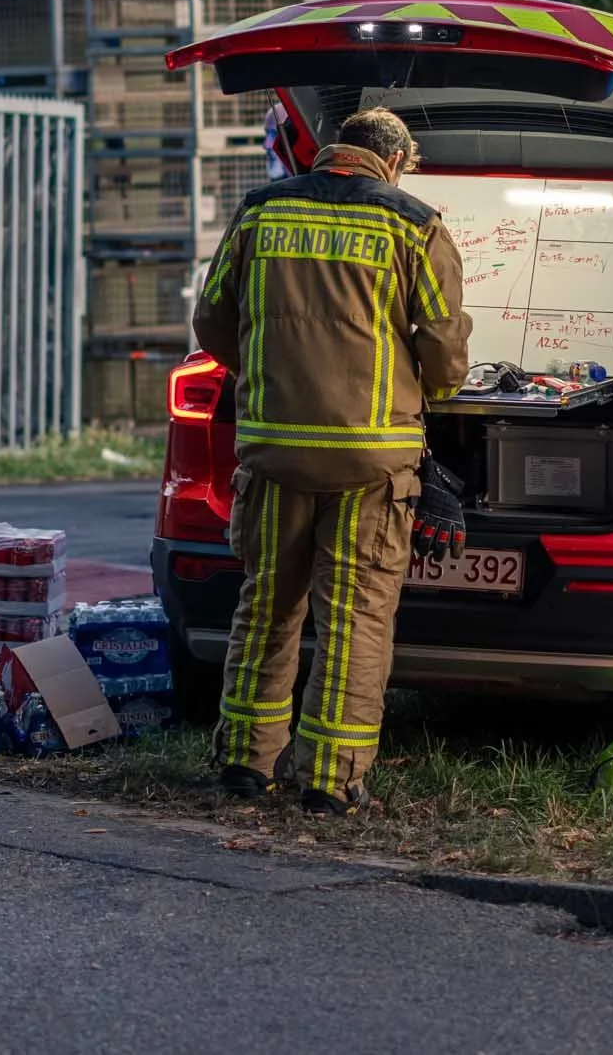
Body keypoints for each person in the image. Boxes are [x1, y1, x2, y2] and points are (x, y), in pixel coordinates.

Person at [191, 107, 472, 816]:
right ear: (395, 160)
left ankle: (243, 764)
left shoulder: (259, 213)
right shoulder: (413, 224)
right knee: (354, 619)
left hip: (274, 448)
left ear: (333, 151)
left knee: (266, 609)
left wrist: (272, 377)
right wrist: (432, 389)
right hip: (371, 462)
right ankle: (330, 779)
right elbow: (442, 350)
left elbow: (214, 321)